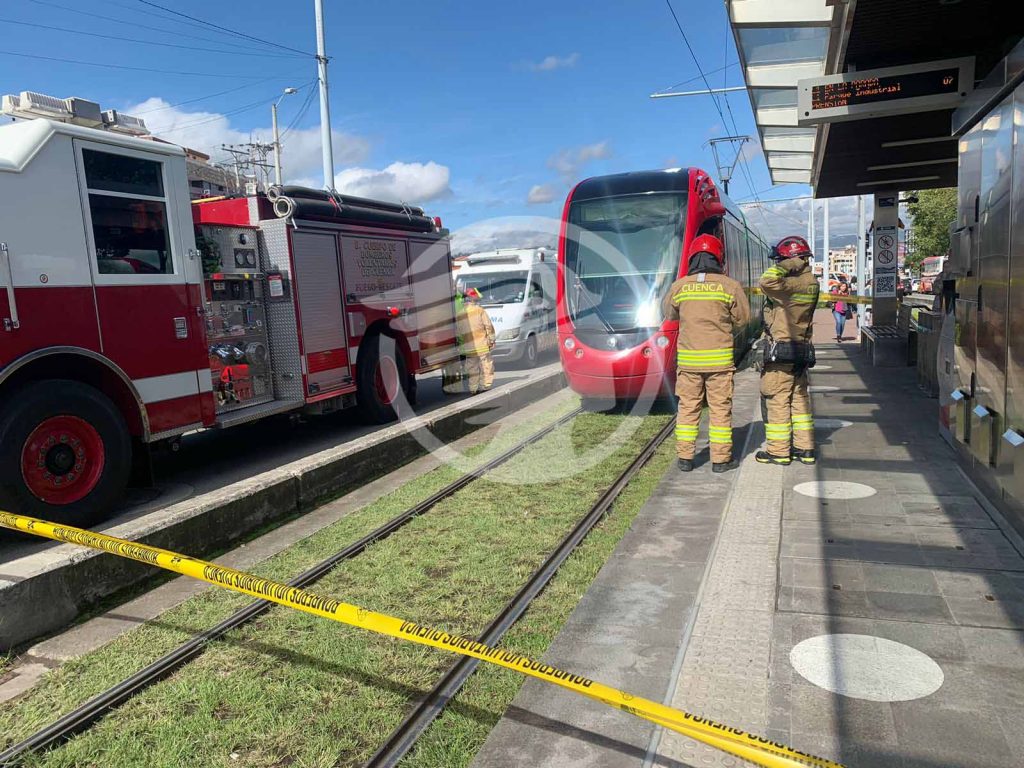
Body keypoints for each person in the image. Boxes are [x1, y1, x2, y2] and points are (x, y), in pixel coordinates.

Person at [662, 234, 751, 473]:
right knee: (720, 409)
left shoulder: (679, 286)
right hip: (719, 363)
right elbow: (744, 319)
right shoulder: (729, 286)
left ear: (692, 257)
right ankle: (721, 461)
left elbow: (669, 315)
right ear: (718, 257)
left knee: (688, 408)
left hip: (689, 364)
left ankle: (685, 458)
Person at [756, 235, 819, 466]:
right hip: (801, 349)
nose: (777, 264)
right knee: (799, 401)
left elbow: (766, 281)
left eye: (780, 260)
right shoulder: (811, 282)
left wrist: (790, 262)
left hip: (781, 351)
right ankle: (805, 449)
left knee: (777, 400)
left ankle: (779, 452)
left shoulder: (788, 285)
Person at [461, 287, 496, 393]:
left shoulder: (460, 313)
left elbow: (458, 332)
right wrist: (491, 340)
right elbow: (488, 326)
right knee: (486, 365)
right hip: (482, 344)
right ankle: (485, 385)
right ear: (473, 299)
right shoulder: (479, 310)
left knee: (472, 368)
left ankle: (473, 388)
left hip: (468, 347)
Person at [442, 291, 466, 394]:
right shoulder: (457, 299)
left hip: (455, 335)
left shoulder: (459, 298)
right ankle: (454, 387)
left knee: (453, 366)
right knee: (452, 366)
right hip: (452, 335)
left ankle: (454, 387)